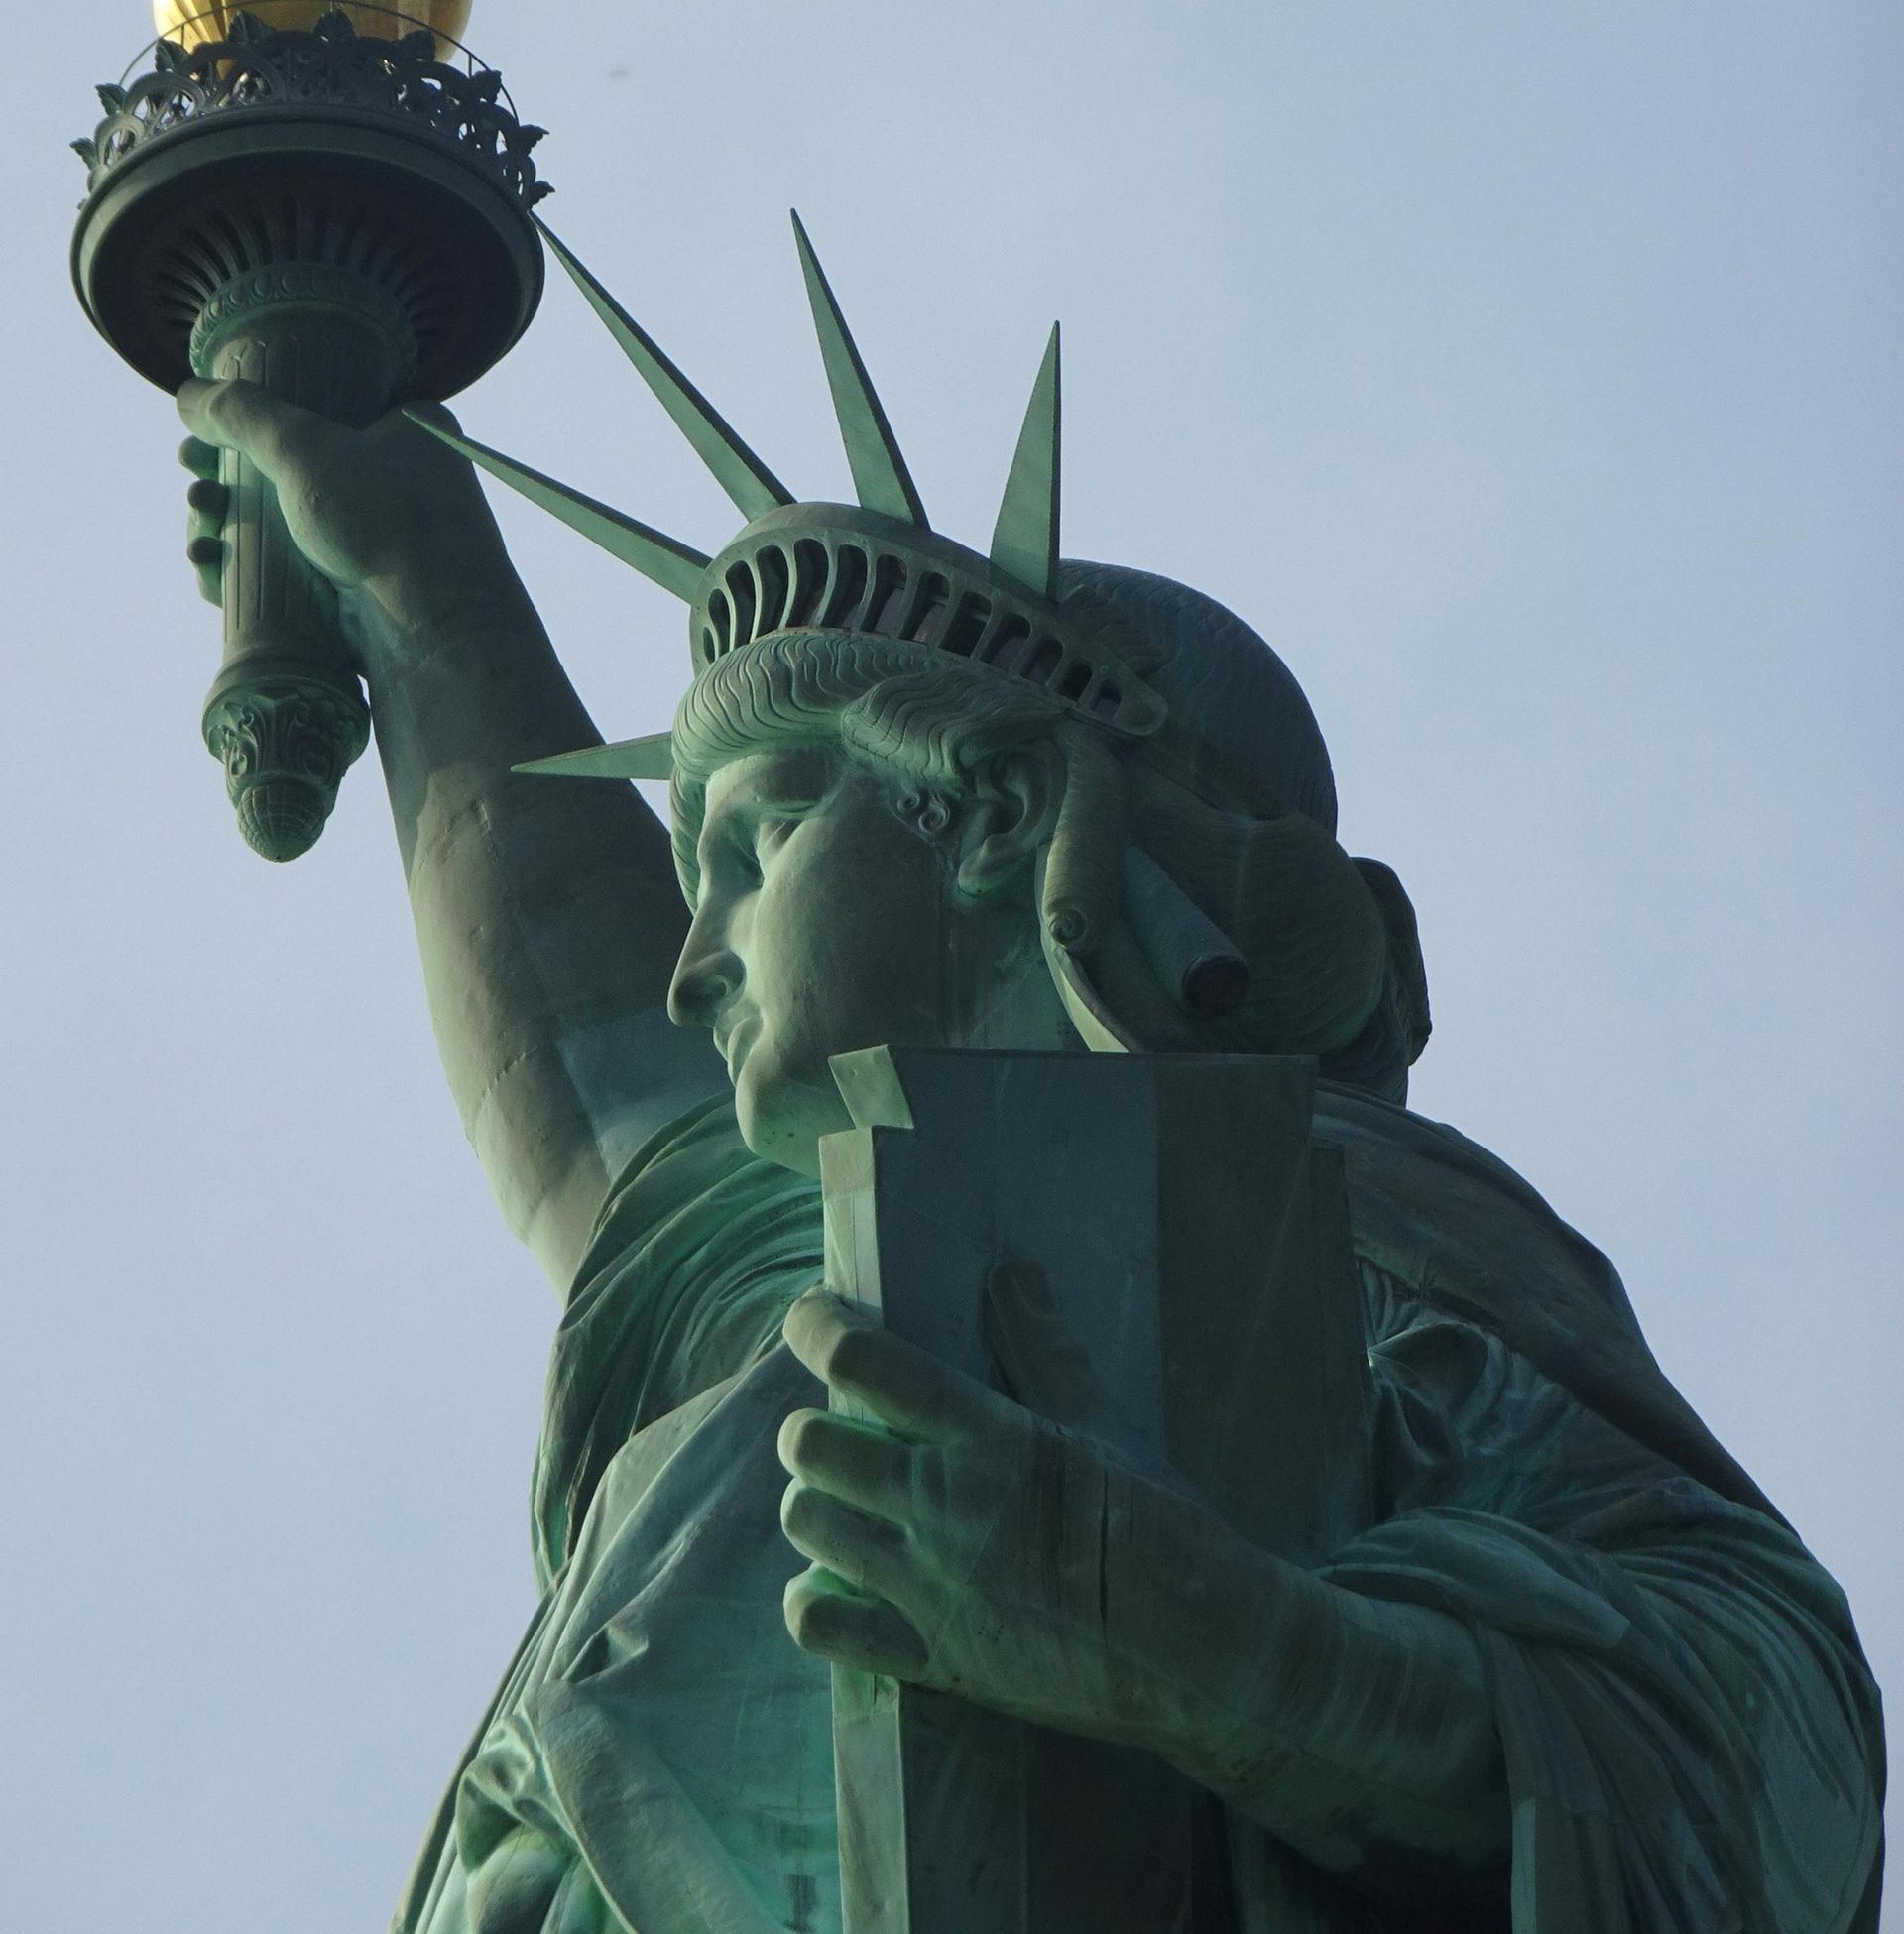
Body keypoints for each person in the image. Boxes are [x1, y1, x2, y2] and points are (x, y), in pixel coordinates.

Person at [176, 241, 1884, 1933]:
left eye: (756, 840)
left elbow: (1770, 1727)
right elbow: (586, 1079)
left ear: (991, 812)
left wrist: (1225, 1649)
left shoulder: (1369, 1250)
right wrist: (411, 573)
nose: (693, 962)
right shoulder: (785, 1297)